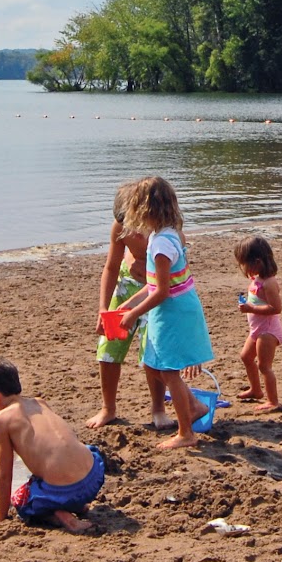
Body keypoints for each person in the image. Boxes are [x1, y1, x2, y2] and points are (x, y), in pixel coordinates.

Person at [116, 176, 213, 450]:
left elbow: (161, 291)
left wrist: (134, 314)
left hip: (173, 312)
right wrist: (128, 303)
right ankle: (193, 406)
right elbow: (152, 285)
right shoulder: (166, 234)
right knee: (152, 365)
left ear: (145, 210)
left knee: (169, 372)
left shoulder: (160, 245)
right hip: (170, 309)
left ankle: (186, 433)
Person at [0, 360, 105, 532]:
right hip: (94, 478)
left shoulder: (2, 420)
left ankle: (62, 515)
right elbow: (3, 445)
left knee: (21, 501)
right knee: (83, 451)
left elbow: (5, 473)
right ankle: (77, 505)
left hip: (66, 491)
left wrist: (0, 514)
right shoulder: (39, 403)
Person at [87, 183, 172, 431]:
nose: (132, 230)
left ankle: (158, 408)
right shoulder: (120, 227)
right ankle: (108, 408)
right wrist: (103, 308)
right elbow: (111, 267)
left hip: (153, 292)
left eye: (135, 223)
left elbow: (171, 275)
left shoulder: (164, 231)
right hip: (126, 286)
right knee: (109, 347)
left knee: (152, 352)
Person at [234, 235, 282, 412]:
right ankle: (256, 390)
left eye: (244, 264)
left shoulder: (269, 283)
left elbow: (275, 308)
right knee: (246, 357)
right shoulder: (257, 280)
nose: (242, 268)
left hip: (268, 331)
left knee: (264, 366)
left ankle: (273, 401)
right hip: (256, 329)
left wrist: (251, 309)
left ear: (256, 262)